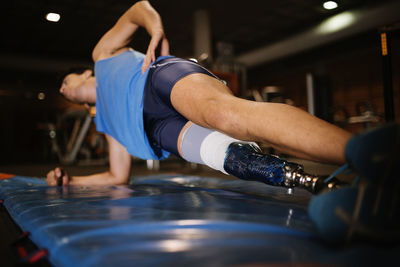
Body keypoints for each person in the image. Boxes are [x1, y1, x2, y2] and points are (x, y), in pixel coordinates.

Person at [46, 0, 399, 195]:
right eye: (62, 87)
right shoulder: (108, 124)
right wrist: (69, 180)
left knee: (226, 116)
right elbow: (116, 177)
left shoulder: (102, 56)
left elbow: (137, 8)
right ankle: (333, 181)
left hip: (156, 80)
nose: (63, 86)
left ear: (86, 76)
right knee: (232, 158)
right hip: (156, 129)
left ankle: (375, 155)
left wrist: (154, 29)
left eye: (65, 79)